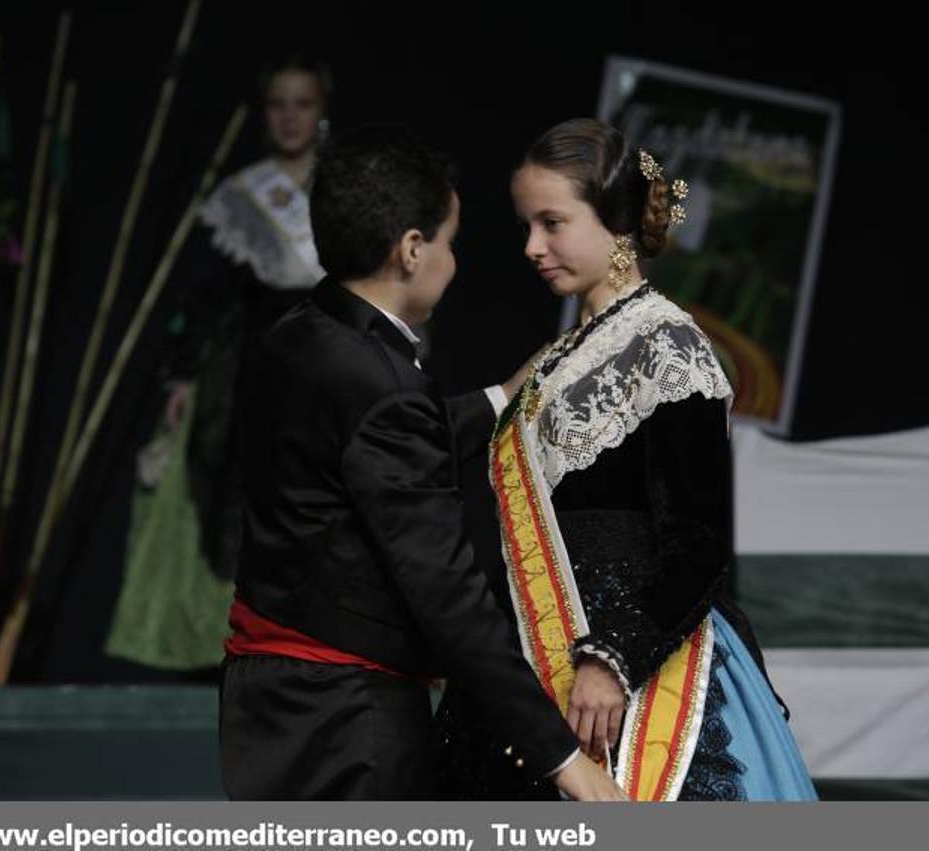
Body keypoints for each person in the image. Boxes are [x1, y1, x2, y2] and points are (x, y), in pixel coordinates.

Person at [218, 124, 625, 801]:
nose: (454, 262)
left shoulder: (295, 336)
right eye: (450, 242)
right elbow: (448, 594)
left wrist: (510, 390)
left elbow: (371, 441)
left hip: (265, 700)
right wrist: (563, 758)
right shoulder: (384, 390)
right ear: (412, 249)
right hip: (346, 717)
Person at [436, 118, 817, 801]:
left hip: (633, 683)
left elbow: (698, 545)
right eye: (527, 225)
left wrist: (612, 661)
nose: (532, 246)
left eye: (551, 223)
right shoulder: (557, 357)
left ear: (614, 220)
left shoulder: (669, 345)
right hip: (534, 672)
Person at [104, 55, 333, 671]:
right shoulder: (243, 195)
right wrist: (183, 376)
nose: (289, 117)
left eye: (301, 103)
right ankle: (233, 638)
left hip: (334, 356)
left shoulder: (344, 187)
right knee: (236, 491)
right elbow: (204, 297)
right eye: (277, 104)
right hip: (253, 362)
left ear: (322, 110)